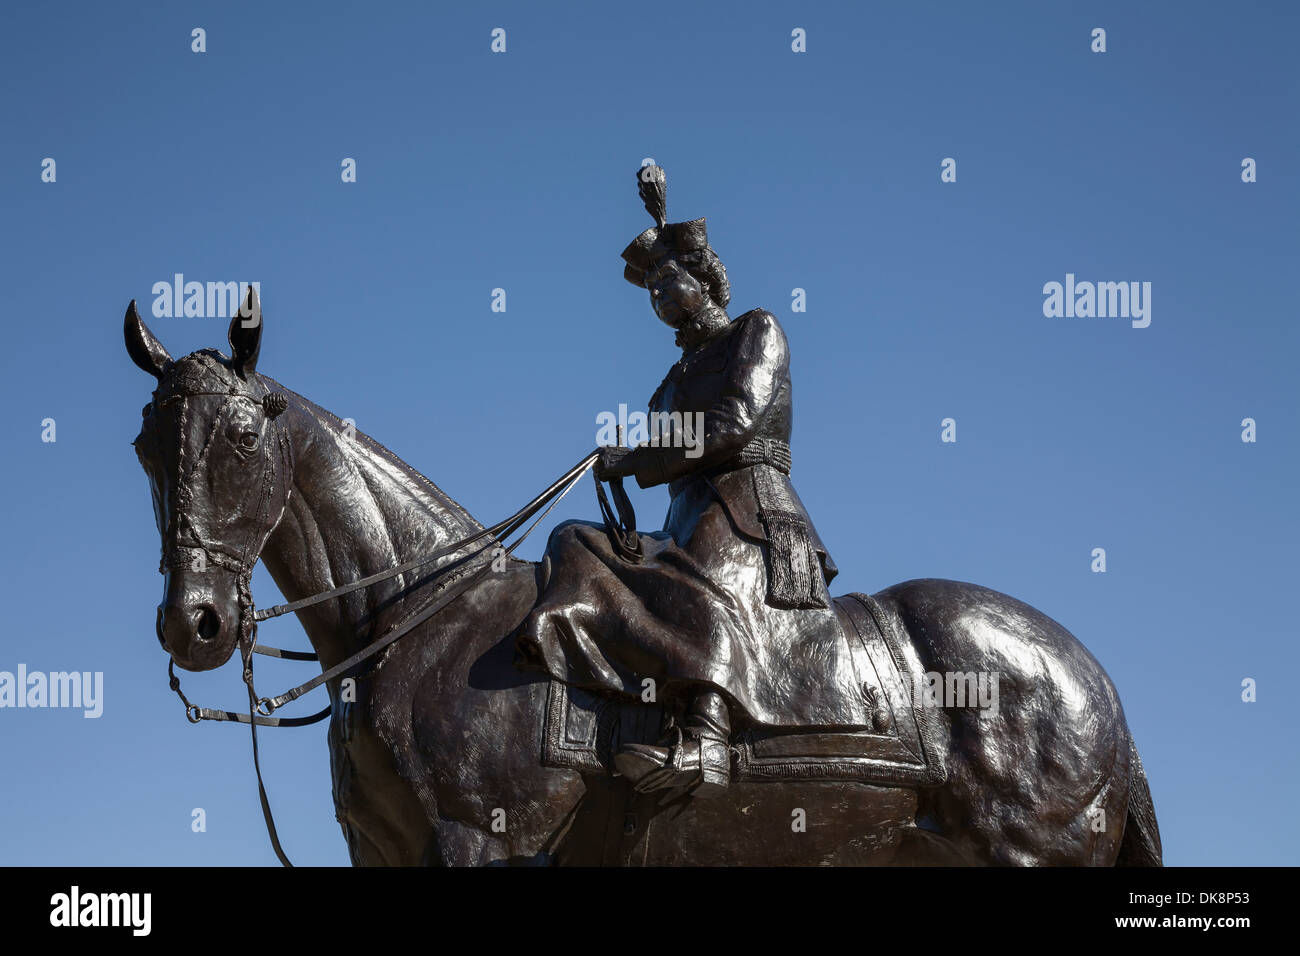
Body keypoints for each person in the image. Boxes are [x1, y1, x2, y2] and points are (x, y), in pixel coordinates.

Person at [515, 166, 837, 796]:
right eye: (651, 290)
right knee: (575, 539)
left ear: (704, 278)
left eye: (669, 281)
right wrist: (621, 459)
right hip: (682, 514)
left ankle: (709, 739)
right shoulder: (666, 383)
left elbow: (735, 420)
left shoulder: (755, 330)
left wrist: (639, 460)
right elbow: (659, 448)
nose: (660, 296)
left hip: (748, 507)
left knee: (697, 582)